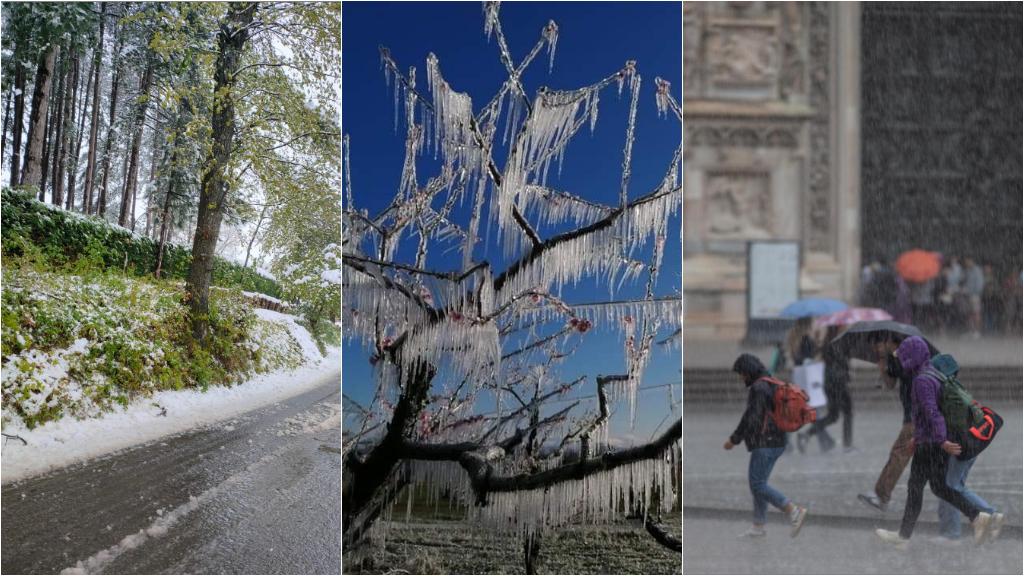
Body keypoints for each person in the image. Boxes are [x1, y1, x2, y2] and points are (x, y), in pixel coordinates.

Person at [874, 336, 994, 548]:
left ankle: (903, 537)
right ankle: (977, 517)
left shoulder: (921, 380)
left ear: (911, 357)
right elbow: (927, 415)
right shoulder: (933, 373)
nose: (901, 361)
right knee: (939, 487)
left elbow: (932, 413)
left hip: (931, 444)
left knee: (915, 487)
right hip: (930, 442)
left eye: (903, 357)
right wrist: (919, 437)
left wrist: (941, 440)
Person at [725, 353, 809, 539]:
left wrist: (735, 439)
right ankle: (758, 525)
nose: (741, 378)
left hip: (765, 443)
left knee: (757, 484)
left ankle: (792, 510)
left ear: (747, 371)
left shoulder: (759, 387)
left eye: (741, 374)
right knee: (759, 483)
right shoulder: (771, 382)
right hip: (778, 441)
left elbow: (751, 417)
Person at [857, 334, 915, 512]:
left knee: (899, 454)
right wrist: (883, 364)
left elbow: (898, 374)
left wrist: (885, 360)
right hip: (915, 416)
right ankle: (882, 495)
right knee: (899, 454)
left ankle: (882, 496)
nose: (875, 348)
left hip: (917, 417)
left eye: (878, 344)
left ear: (889, 342)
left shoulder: (906, 358)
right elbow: (890, 384)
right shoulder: (900, 359)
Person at [799, 326, 853, 452]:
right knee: (845, 413)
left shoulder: (828, 343)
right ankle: (847, 444)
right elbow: (841, 362)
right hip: (837, 384)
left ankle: (807, 434)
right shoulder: (838, 343)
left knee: (834, 415)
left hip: (831, 384)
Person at [963, 258, 985, 339]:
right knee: (970, 314)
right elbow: (967, 283)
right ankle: (971, 331)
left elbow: (980, 283)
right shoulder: (968, 271)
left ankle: (977, 331)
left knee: (976, 313)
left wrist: (975, 292)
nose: (966, 263)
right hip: (968, 295)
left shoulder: (977, 270)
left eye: (967, 261)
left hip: (975, 295)